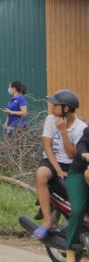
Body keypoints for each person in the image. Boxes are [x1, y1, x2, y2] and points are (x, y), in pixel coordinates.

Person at [32, 90, 87, 242]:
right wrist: (57, 169)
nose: (52, 107)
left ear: (66, 109)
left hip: (71, 163)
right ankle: (48, 220)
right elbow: (47, 146)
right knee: (41, 174)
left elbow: (71, 154)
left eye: (56, 105)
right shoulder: (50, 120)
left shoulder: (80, 128)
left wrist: (63, 132)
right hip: (52, 161)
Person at [64, 125, 89, 262]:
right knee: (78, 209)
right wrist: (85, 153)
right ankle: (70, 252)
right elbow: (81, 144)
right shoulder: (87, 131)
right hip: (79, 173)